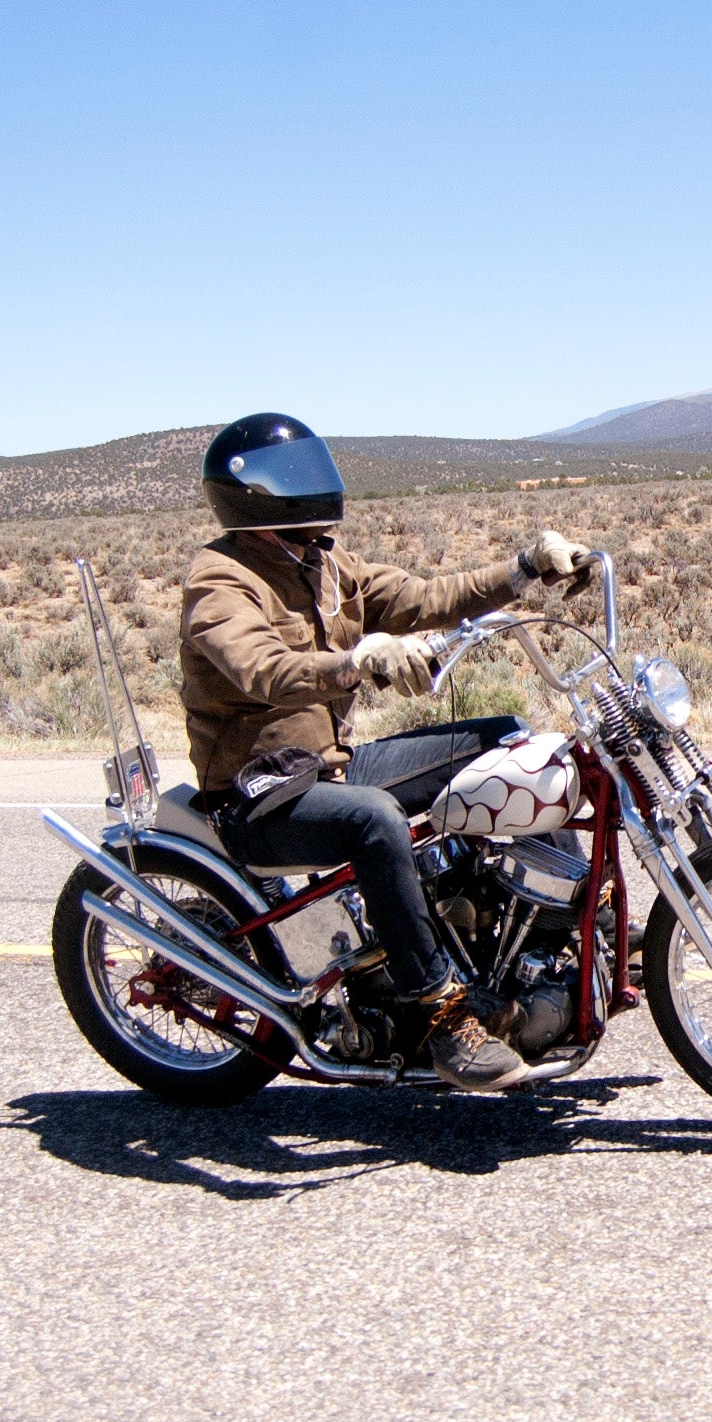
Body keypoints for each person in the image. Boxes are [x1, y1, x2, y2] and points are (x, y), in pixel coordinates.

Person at [178, 411, 593, 1090]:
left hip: (331, 767)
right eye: (291, 475)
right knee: (375, 819)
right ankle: (441, 1018)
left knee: (512, 740)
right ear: (250, 493)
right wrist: (355, 664)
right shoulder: (220, 579)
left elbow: (424, 598)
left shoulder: (325, 561)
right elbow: (260, 668)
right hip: (259, 795)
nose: (310, 485)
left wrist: (525, 568)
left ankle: (558, 921)